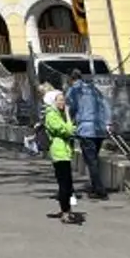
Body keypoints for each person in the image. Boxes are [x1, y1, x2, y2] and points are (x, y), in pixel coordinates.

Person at [65, 69, 111, 199]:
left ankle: (100, 190)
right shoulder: (94, 90)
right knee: (94, 159)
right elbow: (106, 107)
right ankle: (95, 186)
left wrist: (70, 122)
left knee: (91, 161)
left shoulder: (74, 90)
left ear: (70, 79)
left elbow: (70, 108)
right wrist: (108, 123)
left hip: (86, 130)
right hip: (99, 129)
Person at [42, 90, 81, 223]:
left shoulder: (58, 114)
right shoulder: (51, 115)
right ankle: (65, 212)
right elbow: (68, 130)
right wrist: (68, 117)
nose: (63, 103)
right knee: (64, 184)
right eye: (60, 100)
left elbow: (71, 130)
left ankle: (68, 209)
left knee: (68, 183)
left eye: (63, 100)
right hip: (59, 153)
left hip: (65, 152)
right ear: (53, 101)